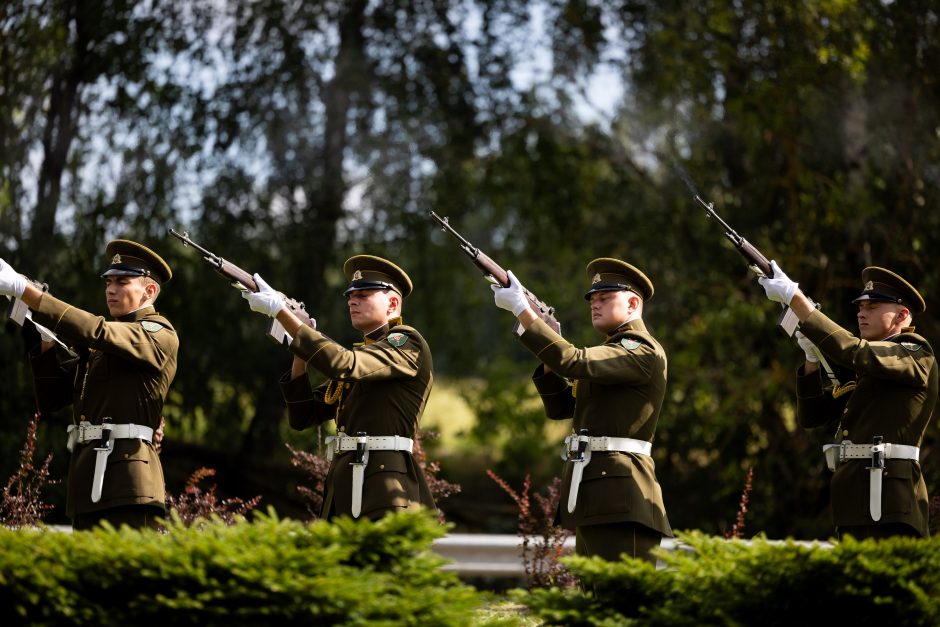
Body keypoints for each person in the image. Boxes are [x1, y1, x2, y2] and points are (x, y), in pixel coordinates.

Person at [491, 258, 672, 562]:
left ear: (633, 303)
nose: (594, 304)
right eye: (592, 298)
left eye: (605, 297)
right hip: (598, 494)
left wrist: (523, 311)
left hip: (622, 495)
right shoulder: (614, 352)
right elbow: (561, 407)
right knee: (594, 597)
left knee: (619, 599)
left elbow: (575, 361)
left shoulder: (641, 349)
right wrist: (548, 344)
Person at [242, 255, 436, 520]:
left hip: (385, 487)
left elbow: (344, 363)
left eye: (364, 294)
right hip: (344, 487)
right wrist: (300, 353)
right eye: (350, 296)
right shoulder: (363, 358)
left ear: (392, 303)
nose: (352, 301)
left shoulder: (405, 342)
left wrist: (282, 313)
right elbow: (303, 416)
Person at [0, 241, 177, 530]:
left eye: (122, 281)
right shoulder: (103, 347)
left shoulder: (159, 333)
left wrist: (30, 294)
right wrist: (43, 339)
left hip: (130, 485)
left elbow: (97, 330)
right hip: (87, 483)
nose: (111, 289)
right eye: (109, 281)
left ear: (149, 291)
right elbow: (51, 398)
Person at [760, 262, 937, 539]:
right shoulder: (866, 370)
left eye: (873, 307)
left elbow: (855, 351)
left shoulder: (915, 353)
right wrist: (811, 360)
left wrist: (796, 298)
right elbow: (812, 416)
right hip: (855, 502)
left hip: (891, 503)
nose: (861, 313)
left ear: (902, 314)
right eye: (860, 307)